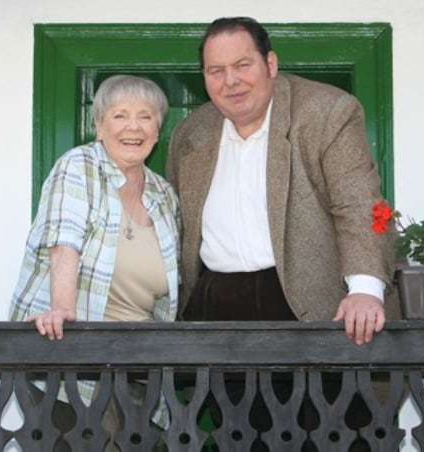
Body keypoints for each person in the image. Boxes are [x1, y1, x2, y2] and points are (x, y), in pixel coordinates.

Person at [166, 17, 397, 451]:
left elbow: (359, 203)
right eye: (216, 71)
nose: (230, 81)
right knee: (242, 441)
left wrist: (365, 289)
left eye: (243, 65)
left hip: (314, 301)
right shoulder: (189, 133)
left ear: (270, 63)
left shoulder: (327, 112)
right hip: (220, 308)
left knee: (337, 436)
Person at [9, 74, 180, 450]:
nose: (133, 127)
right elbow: (63, 240)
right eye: (119, 116)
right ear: (99, 126)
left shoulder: (163, 194)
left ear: (158, 129)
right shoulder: (80, 165)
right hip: (75, 364)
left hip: (138, 367)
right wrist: (63, 315)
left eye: (145, 116)